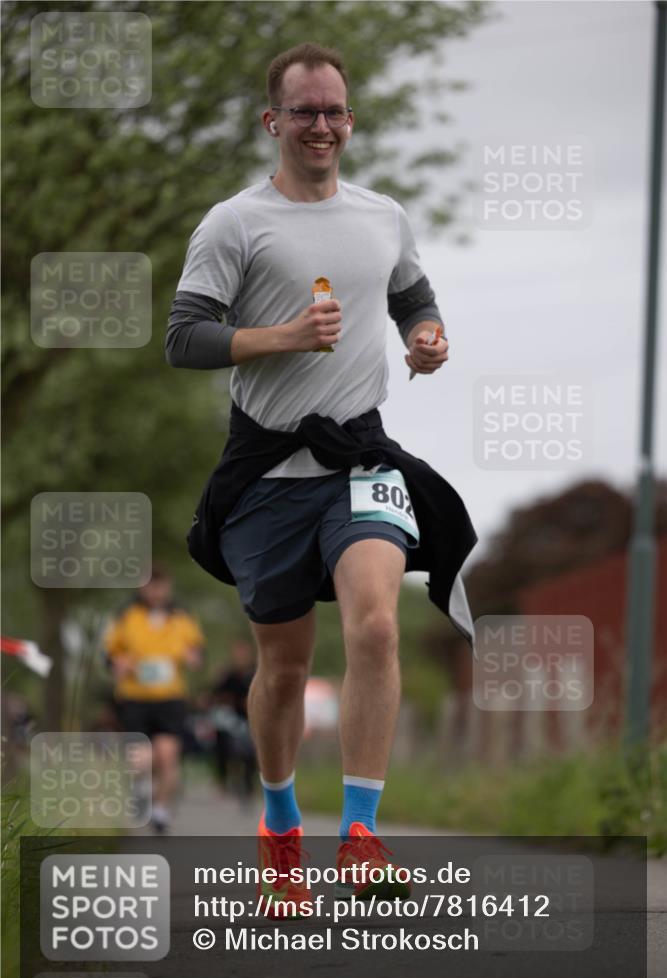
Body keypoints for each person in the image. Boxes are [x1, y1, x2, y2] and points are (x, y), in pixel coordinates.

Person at [166, 42, 476, 915]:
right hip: (267, 470)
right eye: (303, 111)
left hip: (360, 458)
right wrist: (284, 335)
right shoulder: (235, 222)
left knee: (377, 626)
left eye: (333, 110)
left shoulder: (383, 215)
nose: (321, 125)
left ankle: (362, 838)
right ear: (274, 121)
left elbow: (412, 295)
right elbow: (183, 337)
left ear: (349, 118)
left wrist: (426, 339)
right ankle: (279, 830)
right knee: (285, 667)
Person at [104, 565, 205, 833]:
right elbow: (110, 654)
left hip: (170, 697)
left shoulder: (182, 616)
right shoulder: (125, 615)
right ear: (141, 586)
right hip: (134, 697)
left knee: (167, 755)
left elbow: (197, 651)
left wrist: (193, 658)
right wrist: (118, 663)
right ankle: (139, 787)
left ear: (168, 585)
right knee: (141, 757)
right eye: (150, 585)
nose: (156, 591)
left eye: (160, 584)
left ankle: (160, 811)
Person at [210, 638, 257, 801]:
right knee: (223, 746)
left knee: (251, 753)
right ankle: (223, 782)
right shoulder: (228, 675)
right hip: (230, 719)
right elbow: (216, 695)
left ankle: (249, 786)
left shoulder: (255, 672)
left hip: (251, 718)